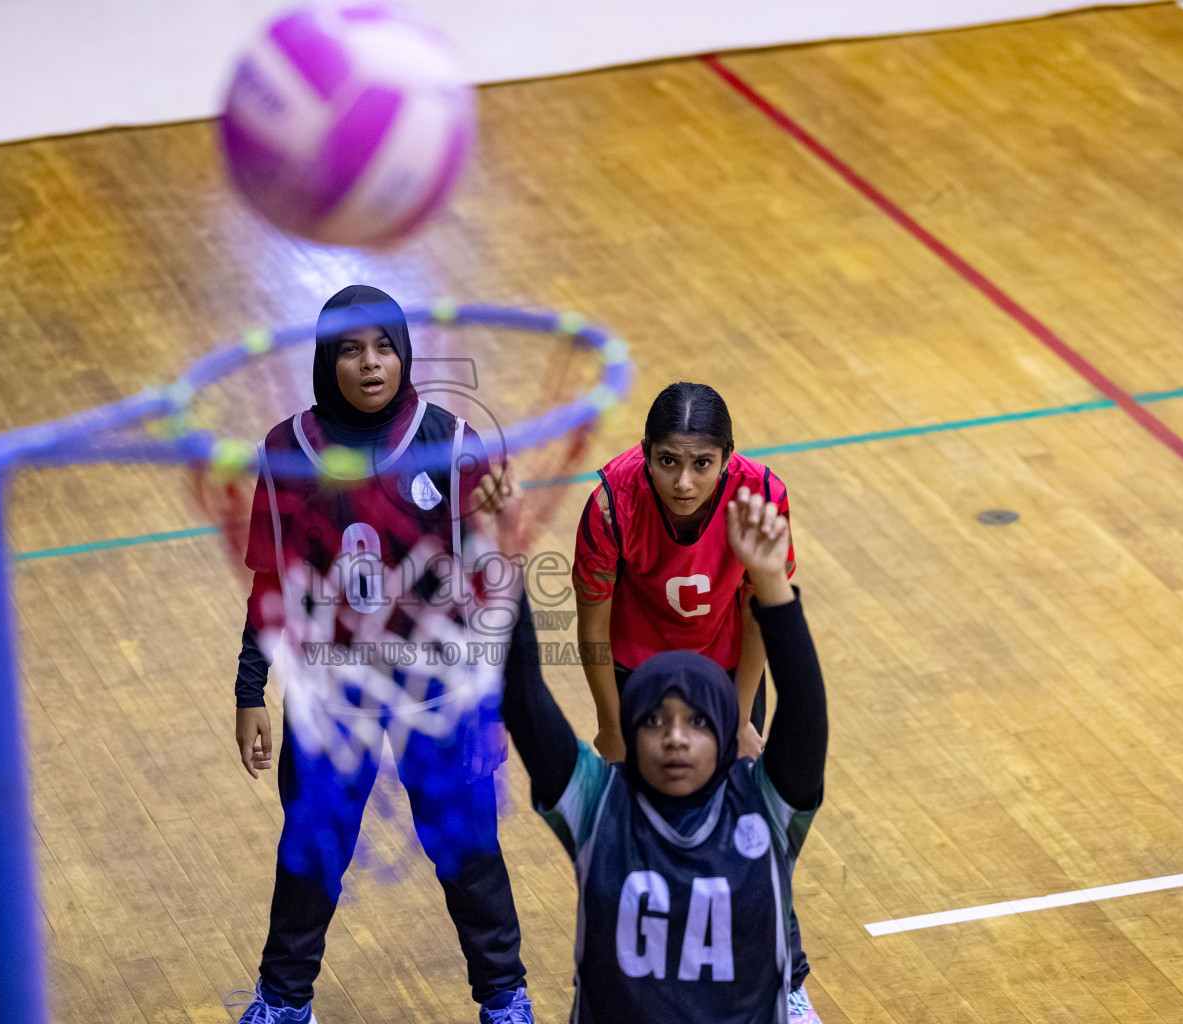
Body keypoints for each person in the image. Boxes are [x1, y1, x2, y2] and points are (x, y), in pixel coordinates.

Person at [229, 285, 532, 1024]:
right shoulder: (285, 452)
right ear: (325, 360)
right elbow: (271, 585)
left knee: (469, 854)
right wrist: (249, 691)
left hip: (436, 691)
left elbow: (491, 588)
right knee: (311, 853)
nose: (370, 364)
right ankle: (283, 1002)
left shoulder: (451, 443)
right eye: (351, 350)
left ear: (405, 354)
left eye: (384, 347)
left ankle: (505, 998)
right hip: (331, 693)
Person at [482, 470, 827, 1023]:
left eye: (697, 722)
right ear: (628, 733)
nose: (675, 738)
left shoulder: (764, 803)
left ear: (727, 731)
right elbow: (524, 699)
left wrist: (769, 580)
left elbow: (805, 711)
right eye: (653, 721)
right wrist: (504, 559)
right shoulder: (598, 804)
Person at [572, 381, 820, 1021]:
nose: (684, 482)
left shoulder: (760, 496)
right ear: (646, 453)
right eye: (668, 462)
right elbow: (592, 626)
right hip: (639, 678)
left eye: (702, 463)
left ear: (728, 458)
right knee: (636, 833)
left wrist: (739, 717)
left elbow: (762, 611)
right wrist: (611, 725)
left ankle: (788, 977)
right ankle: (637, 972)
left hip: (726, 672)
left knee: (752, 834)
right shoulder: (610, 503)